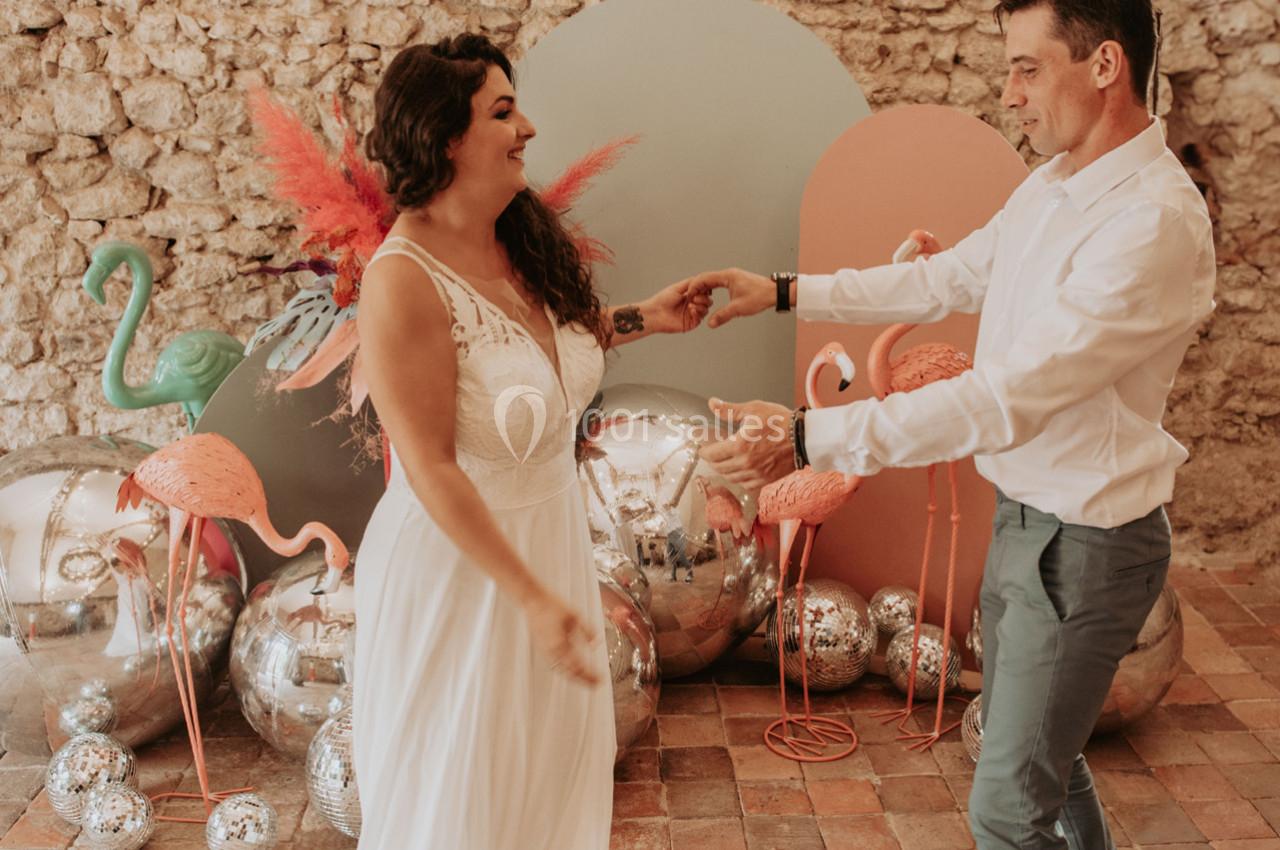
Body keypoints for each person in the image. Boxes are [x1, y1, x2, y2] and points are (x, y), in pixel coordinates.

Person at [682, 2, 1215, 848]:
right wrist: (786, 290)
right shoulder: (1055, 185)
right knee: (1049, 764)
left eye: (1027, 68)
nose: (1008, 94)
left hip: (1084, 547)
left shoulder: (1151, 222)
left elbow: (1006, 397)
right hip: (1025, 526)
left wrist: (810, 437)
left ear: (1106, 65)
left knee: (1007, 809)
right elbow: (946, 281)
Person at [352, 34, 709, 850]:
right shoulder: (401, 279)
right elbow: (433, 468)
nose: (530, 129)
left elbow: (540, 354)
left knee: (543, 785)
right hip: (463, 577)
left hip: (547, 554)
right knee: (461, 797)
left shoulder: (515, 238)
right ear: (445, 136)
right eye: (504, 112)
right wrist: (533, 599)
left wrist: (645, 317)